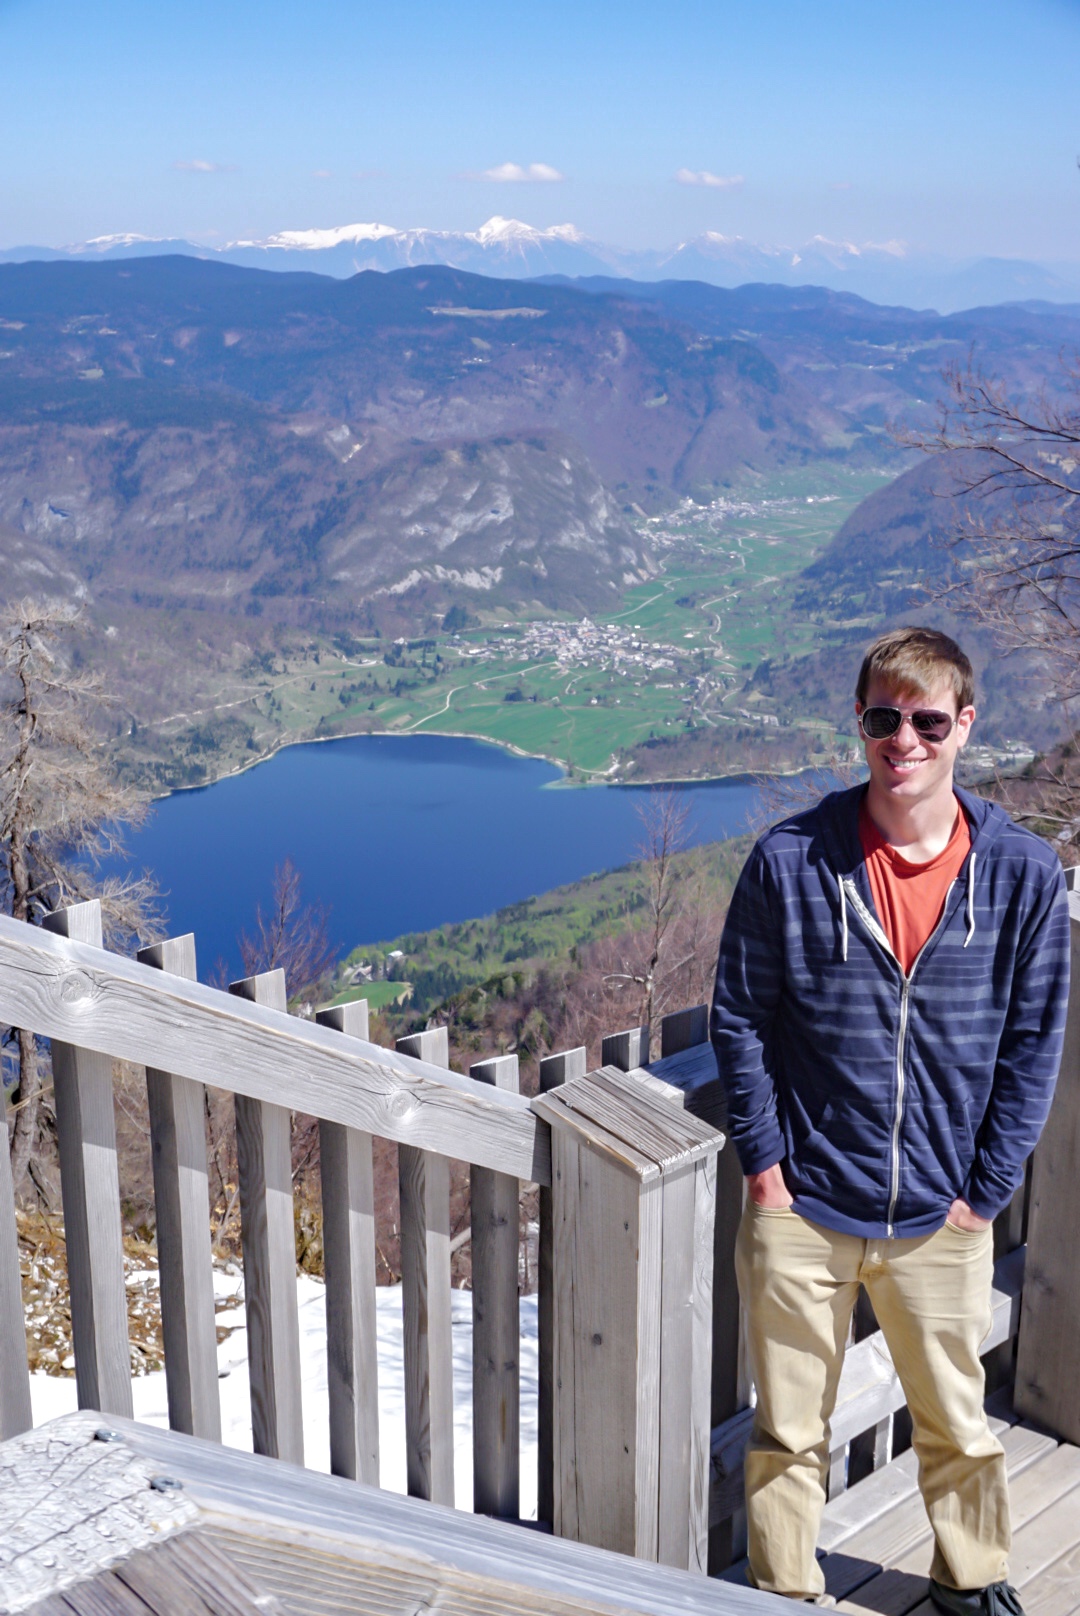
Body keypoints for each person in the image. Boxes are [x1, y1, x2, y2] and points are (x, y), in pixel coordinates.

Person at [710, 626, 1070, 1614]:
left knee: (959, 1420)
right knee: (788, 1428)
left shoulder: (1022, 877)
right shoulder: (792, 862)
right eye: (882, 716)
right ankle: (786, 1589)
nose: (901, 738)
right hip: (804, 1205)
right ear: (859, 722)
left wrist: (983, 1190)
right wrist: (768, 1167)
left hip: (942, 1211)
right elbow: (740, 1014)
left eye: (924, 718)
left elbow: (1035, 1042)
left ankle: (973, 1577)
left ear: (964, 725)